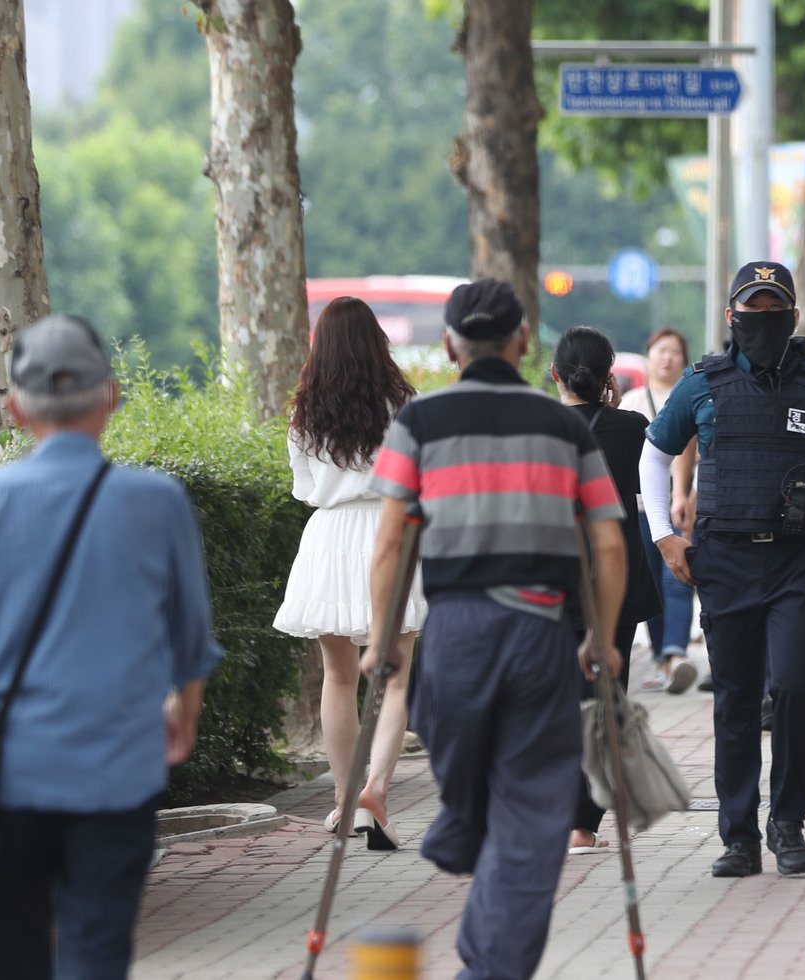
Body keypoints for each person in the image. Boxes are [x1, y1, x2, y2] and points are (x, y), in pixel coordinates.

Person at [0, 313, 223, 979]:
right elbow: (192, 642)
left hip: (8, 777)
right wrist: (183, 717)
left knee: (20, 952)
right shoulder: (159, 501)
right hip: (118, 770)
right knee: (97, 949)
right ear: (110, 397)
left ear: (16, 407)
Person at [366, 279, 627, 978]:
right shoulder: (566, 426)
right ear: (521, 343)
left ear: (449, 345)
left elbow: (390, 541)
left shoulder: (417, 424)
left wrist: (382, 639)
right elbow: (605, 545)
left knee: (463, 757)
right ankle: (489, 958)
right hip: (539, 632)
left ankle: (460, 818)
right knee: (532, 815)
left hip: (453, 630)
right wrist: (600, 637)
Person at [640, 261, 805, 878]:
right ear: (730, 318)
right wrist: (665, 536)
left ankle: (788, 823)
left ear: (794, 318)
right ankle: (739, 835)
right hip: (725, 559)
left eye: (775, 310)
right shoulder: (702, 384)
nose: (763, 320)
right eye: (753, 310)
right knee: (737, 700)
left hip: (799, 560)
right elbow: (654, 453)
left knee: (795, 689)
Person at [273, 297, 425, 849]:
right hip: (389, 532)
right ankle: (375, 795)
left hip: (330, 537)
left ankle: (342, 799)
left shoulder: (304, 411)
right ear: (376, 340)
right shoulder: (405, 403)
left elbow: (302, 487)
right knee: (396, 676)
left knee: (337, 677)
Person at [552, 326, 663, 853]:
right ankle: (586, 819)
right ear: (609, 378)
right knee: (602, 693)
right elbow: (655, 479)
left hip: (556, 576)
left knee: (562, 695)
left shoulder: (541, 431)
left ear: (555, 376)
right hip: (617, 579)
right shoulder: (631, 426)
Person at [621, 327, 699, 692]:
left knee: (678, 578)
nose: (667, 357)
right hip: (641, 507)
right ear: (649, 355)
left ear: (684, 360)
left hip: (684, 505)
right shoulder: (633, 400)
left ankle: (675, 653)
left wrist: (688, 493)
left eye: (675, 351)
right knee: (650, 580)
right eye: (660, 350)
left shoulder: (692, 396)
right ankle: (662, 660)